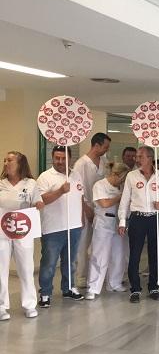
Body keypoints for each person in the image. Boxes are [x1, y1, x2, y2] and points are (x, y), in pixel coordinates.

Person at [118, 146, 159, 303]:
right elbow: (125, 201)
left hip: (155, 218)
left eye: (140, 156)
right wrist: (122, 221)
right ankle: (135, 289)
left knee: (155, 252)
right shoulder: (131, 176)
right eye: (137, 156)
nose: (137, 159)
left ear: (150, 157)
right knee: (134, 254)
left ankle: (153, 286)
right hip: (137, 218)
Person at [37, 146, 86, 308]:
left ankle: (69, 288)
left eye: (63, 158)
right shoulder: (45, 177)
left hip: (74, 227)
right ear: (52, 158)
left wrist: (81, 218)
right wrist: (60, 191)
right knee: (49, 263)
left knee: (71, 261)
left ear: (69, 159)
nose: (60, 161)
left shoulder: (76, 175)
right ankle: (45, 293)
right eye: (57, 158)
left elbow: (80, 198)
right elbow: (42, 200)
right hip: (53, 228)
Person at [0, 152, 44, 320]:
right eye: (5, 160)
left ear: (20, 163)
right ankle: (2, 306)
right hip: (3, 231)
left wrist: (39, 204)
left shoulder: (30, 183)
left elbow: (38, 202)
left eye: (10, 160)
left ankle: (29, 304)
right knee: (1, 269)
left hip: (23, 231)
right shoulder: (1, 184)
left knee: (26, 268)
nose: (6, 162)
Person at [85, 162, 130, 300]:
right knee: (99, 256)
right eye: (122, 178)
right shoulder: (100, 185)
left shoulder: (122, 187)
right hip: (103, 223)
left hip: (119, 223)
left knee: (119, 254)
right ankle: (93, 287)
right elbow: (104, 203)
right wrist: (119, 197)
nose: (123, 181)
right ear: (115, 174)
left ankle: (114, 283)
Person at [73, 132, 111, 287]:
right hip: (85, 208)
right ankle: (81, 277)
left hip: (101, 208)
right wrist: (86, 209)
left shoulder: (104, 161)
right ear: (96, 145)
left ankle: (97, 276)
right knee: (83, 244)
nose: (106, 150)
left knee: (98, 245)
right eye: (105, 147)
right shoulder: (81, 164)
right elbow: (77, 190)